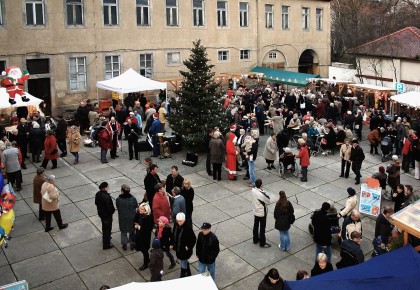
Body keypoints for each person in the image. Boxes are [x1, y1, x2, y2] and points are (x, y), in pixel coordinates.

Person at [171, 212, 197, 278]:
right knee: (185, 262)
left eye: (180, 221)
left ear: (184, 220)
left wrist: (188, 247)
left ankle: (183, 277)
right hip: (178, 249)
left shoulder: (188, 229)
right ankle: (188, 273)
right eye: (178, 221)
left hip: (185, 252)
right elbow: (173, 235)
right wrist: (172, 243)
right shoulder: (176, 225)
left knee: (183, 265)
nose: (179, 222)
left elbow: (193, 239)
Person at [116, 184, 138, 251]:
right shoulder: (133, 199)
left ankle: (124, 244)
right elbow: (136, 206)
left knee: (123, 231)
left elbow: (118, 207)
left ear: (122, 191)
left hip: (123, 218)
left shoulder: (118, 199)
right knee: (132, 230)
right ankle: (132, 243)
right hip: (132, 217)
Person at [95, 182, 115, 249]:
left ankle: (105, 238)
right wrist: (112, 211)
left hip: (102, 214)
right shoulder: (107, 197)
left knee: (104, 227)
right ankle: (106, 244)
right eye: (107, 187)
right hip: (107, 215)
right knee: (107, 229)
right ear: (104, 188)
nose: (108, 188)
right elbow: (110, 207)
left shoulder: (98, 194)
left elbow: (96, 203)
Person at [134, 202, 154, 271]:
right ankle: (147, 261)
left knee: (145, 251)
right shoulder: (138, 214)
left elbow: (149, 229)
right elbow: (135, 220)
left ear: (146, 210)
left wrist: (140, 228)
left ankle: (146, 263)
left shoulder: (148, 217)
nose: (140, 210)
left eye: (142, 209)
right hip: (139, 235)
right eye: (140, 209)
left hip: (145, 237)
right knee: (142, 250)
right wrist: (135, 224)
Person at [252, 179, 271, 248]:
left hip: (255, 211)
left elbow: (254, 187)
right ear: (261, 185)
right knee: (262, 228)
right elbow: (268, 201)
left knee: (255, 226)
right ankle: (262, 243)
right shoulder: (261, 194)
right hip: (262, 213)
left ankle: (255, 239)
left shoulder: (253, 190)